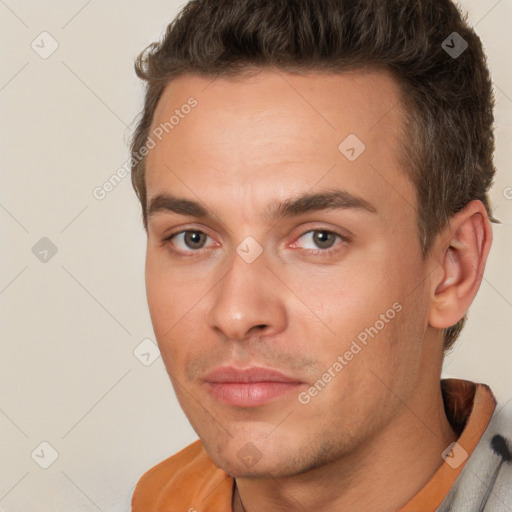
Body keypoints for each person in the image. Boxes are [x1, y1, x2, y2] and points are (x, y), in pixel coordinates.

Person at [129, 0, 512, 510]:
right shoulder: (163, 499)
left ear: (452, 268)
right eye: (193, 238)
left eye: (319, 239)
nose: (237, 313)